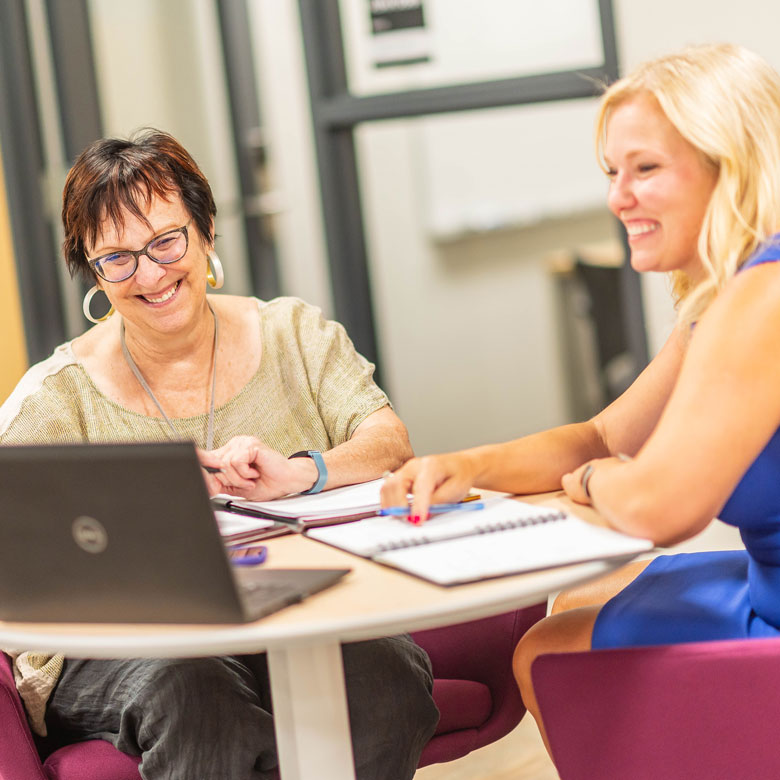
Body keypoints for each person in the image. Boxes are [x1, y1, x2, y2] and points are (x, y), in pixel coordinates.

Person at [381, 42, 780, 756]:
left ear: (732, 165)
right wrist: (469, 465)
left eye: (646, 170)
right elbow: (603, 435)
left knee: (549, 653)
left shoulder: (767, 297)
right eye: (611, 173)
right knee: (581, 599)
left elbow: (659, 508)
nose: (617, 198)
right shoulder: (726, 299)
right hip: (767, 583)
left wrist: (594, 484)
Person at [0, 129, 438, 779]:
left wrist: (302, 473)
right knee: (196, 692)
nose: (149, 273)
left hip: (298, 607)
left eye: (165, 241)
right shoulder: (55, 397)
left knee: (385, 674)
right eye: (117, 259)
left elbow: (388, 445)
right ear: (93, 272)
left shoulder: (294, 333)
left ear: (205, 233)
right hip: (123, 645)